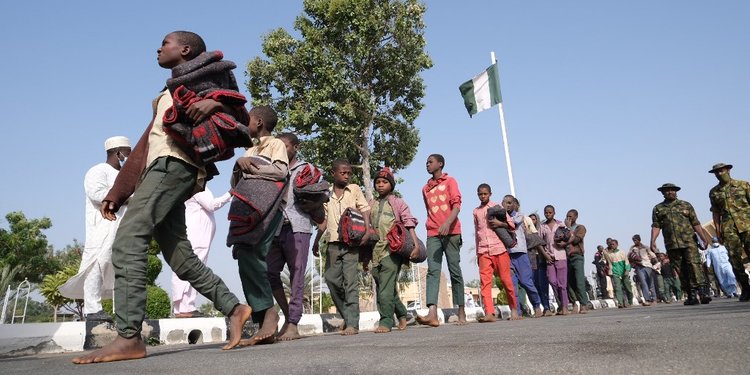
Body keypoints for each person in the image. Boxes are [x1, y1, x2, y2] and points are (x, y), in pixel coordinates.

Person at [73, 31, 252, 364]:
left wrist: (216, 102)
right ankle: (235, 307)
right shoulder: (169, 92)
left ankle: (128, 336)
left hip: (175, 166)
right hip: (163, 168)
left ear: (184, 49)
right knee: (180, 256)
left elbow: (240, 112)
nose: (158, 47)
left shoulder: (206, 78)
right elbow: (144, 147)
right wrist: (118, 191)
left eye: (165, 43)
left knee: (128, 239)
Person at [229, 105, 290, 345]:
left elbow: (280, 172)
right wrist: (238, 165)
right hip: (248, 209)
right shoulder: (250, 149)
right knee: (244, 254)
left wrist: (249, 167)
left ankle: (270, 314)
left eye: (248, 119)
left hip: (269, 209)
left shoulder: (275, 144)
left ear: (260, 122)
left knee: (255, 255)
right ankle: (264, 317)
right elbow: (236, 184)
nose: (245, 123)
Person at [60, 136, 131, 322]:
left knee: (124, 267)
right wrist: (127, 197)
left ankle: (125, 311)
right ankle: (93, 309)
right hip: (102, 227)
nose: (129, 157)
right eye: (127, 153)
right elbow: (97, 194)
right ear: (118, 153)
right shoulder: (97, 170)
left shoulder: (126, 175)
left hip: (123, 227)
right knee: (97, 264)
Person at [266, 133, 320, 340]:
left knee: (297, 274)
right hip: (275, 228)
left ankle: (293, 323)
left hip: (298, 227)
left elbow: (319, 195)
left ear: (295, 147)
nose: (280, 150)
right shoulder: (272, 169)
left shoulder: (307, 169)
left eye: (284, 146)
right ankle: (288, 315)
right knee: (269, 272)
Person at [312, 159, 371, 336]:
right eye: (343, 173)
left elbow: (365, 209)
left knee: (350, 282)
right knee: (331, 279)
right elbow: (323, 221)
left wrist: (367, 229)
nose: (346, 176)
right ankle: (347, 315)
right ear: (333, 173)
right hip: (332, 243)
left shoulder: (354, 189)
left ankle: (353, 323)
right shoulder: (326, 193)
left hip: (351, 242)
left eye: (349, 173)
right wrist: (316, 241)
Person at [416, 154, 467, 326]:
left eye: (430, 162)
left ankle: (461, 312)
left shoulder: (450, 181)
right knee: (433, 271)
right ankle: (432, 313)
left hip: (452, 232)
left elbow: (457, 205)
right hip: (433, 233)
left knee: (454, 270)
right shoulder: (425, 188)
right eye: (426, 162)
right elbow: (429, 210)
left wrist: (447, 223)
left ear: (440, 164)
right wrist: (437, 225)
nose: (427, 165)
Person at [367, 167, 420, 332]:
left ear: (391, 185)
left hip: (392, 250)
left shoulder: (398, 202)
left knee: (384, 288)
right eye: (378, 182)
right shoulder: (371, 203)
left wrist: (416, 244)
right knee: (384, 286)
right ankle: (403, 314)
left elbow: (409, 222)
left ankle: (386, 321)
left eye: (384, 182)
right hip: (374, 252)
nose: (380, 185)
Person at [171, 188, 232, 318]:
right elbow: (212, 205)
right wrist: (230, 193)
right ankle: (186, 307)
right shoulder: (198, 188)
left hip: (199, 237)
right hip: (197, 236)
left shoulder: (197, 186)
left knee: (192, 269)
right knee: (194, 270)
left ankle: (184, 307)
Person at [650, 183, 712, 306]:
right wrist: (653, 241)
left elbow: (695, 223)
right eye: (667, 191)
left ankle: (703, 293)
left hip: (689, 242)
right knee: (680, 269)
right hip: (672, 244)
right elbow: (656, 226)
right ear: (663, 193)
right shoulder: (658, 208)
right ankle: (691, 295)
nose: (670, 192)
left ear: (676, 192)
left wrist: (703, 238)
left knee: (694, 265)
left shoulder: (686, 205)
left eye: (672, 190)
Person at [472, 184, 519, 322]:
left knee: (506, 280)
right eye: (480, 194)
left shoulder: (498, 208)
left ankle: (514, 310)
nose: (482, 196)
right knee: (485, 283)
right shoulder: (476, 211)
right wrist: (477, 252)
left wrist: (500, 224)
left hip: (499, 249)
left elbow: (512, 225)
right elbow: (477, 232)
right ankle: (490, 313)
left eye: (485, 194)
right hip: (483, 250)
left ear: (490, 194)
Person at [495, 195, 544, 317]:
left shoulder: (519, 216)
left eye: (509, 202)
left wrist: (499, 223)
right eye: (504, 202)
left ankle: (537, 305)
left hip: (520, 253)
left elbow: (513, 225)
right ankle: (516, 311)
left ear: (514, 204)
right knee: (511, 285)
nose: (507, 205)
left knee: (526, 282)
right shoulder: (500, 218)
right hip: (507, 255)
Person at [708, 163, 750, 301]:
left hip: (748, 225)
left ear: (728, 170)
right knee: (734, 259)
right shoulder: (714, 192)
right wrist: (718, 232)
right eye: (717, 172)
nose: (720, 173)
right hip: (729, 229)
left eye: (722, 170)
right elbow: (716, 213)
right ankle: (745, 288)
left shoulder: (743, 185)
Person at [558, 209, 589, 314]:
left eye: (571, 216)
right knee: (569, 282)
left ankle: (584, 304)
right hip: (566, 257)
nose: (568, 218)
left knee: (579, 281)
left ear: (576, 217)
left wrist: (569, 227)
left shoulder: (580, 228)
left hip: (577, 256)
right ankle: (574, 303)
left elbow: (576, 240)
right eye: (567, 216)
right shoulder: (563, 229)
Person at [539, 205, 568, 315]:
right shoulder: (542, 226)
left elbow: (568, 236)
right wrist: (545, 255)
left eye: (550, 212)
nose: (548, 214)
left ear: (554, 213)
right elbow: (540, 242)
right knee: (552, 281)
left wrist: (564, 242)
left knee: (562, 283)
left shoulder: (560, 224)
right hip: (549, 257)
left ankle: (564, 306)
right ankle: (560, 303)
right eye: (546, 213)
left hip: (560, 256)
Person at [529, 213, 554, 316]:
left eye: (534, 219)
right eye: (530, 220)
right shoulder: (526, 232)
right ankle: (538, 308)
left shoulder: (541, 230)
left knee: (543, 285)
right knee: (534, 286)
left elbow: (542, 244)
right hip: (531, 261)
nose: (532, 221)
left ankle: (547, 307)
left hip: (541, 261)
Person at [628, 234, 657, 306]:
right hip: (639, 267)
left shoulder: (646, 247)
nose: (635, 241)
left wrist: (654, 262)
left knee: (650, 283)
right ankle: (647, 299)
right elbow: (629, 256)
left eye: (636, 240)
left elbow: (653, 256)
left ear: (639, 240)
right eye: (633, 240)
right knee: (643, 283)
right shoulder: (632, 248)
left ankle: (654, 299)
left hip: (648, 266)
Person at [603, 239, 632, 308]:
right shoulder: (609, 254)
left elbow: (627, 262)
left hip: (624, 272)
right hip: (615, 273)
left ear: (617, 244)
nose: (612, 245)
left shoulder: (622, 252)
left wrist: (627, 270)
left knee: (627, 288)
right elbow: (608, 263)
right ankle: (620, 302)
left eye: (613, 244)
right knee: (618, 288)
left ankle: (630, 301)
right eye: (611, 244)